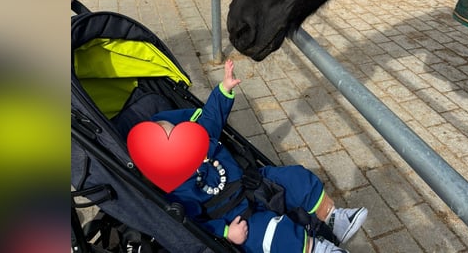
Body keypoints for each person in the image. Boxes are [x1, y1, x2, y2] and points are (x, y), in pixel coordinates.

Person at [143, 60, 367, 253]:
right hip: (236, 218)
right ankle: (318, 249)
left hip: (252, 180)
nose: (181, 143)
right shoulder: (178, 188)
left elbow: (212, 116)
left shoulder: (201, 139)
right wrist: (226, 232)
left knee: (297, 178)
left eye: (179, 134)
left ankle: (334, 218)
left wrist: (224, 88)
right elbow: (194, 222)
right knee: (274, 232)